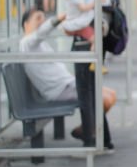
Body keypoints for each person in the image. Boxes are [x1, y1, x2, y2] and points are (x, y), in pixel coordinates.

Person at [20, 8, 116, 149]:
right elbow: (40, 34)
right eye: (37, 18)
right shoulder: (27, 43)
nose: (42, 21)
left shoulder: (39, 44)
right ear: (26, 24)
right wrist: (59, 18)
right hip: (59, 90)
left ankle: (87, 128)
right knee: (103, 99)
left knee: (111, 95)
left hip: (67, 85)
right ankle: (89, 131)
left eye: (43, 18)